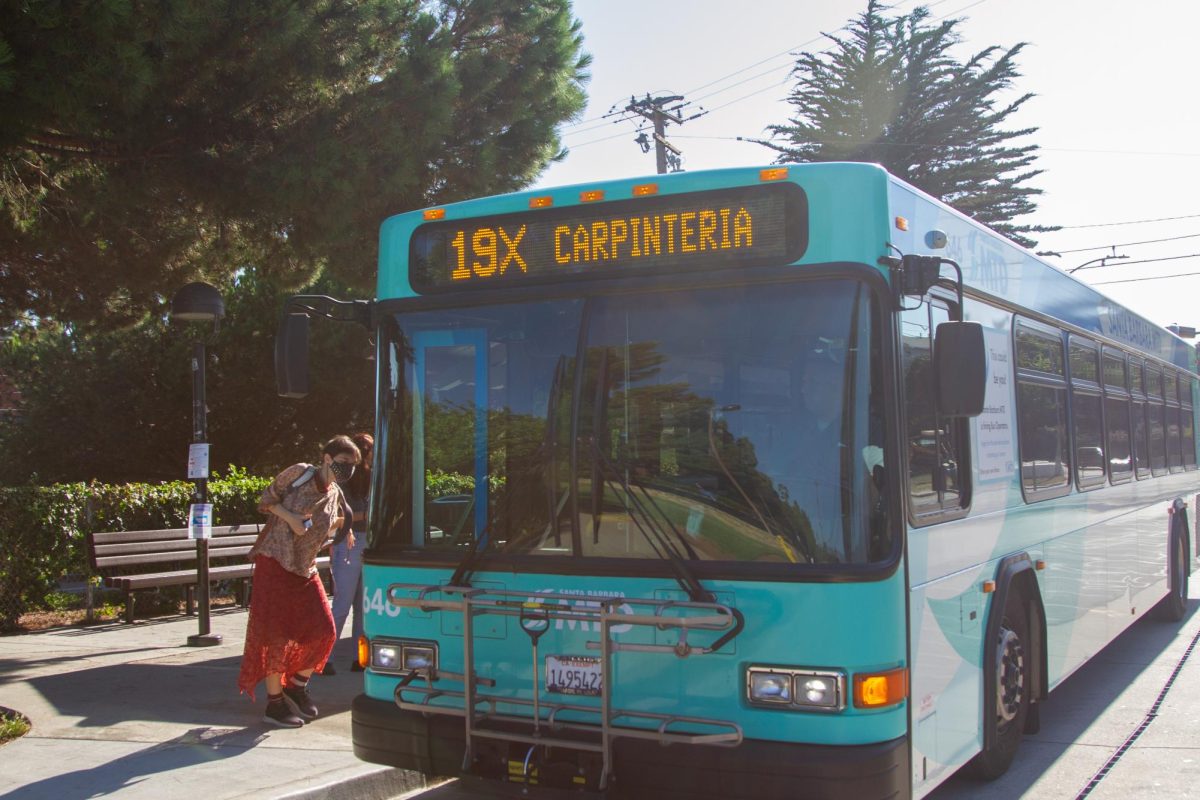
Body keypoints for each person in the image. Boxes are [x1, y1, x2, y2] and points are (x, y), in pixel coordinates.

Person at [238, 435, 361, 727]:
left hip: (304, 567)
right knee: (276, 635)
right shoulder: (299, 473)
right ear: (327, 458)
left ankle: (295, 684)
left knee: (325, 630)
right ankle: (275, 704)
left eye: (354, 465)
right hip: (275, 561)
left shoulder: (335, 492)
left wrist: (340, 530)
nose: (349, 470)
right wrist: (291, 517)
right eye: (344, 463)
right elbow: (266, 500)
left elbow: (333, 521)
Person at [326, 431, 372, 674]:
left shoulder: (370, 478)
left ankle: (359, 657)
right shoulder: (343, 481)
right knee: (342, 603)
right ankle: (324, 657)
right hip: (349, 541)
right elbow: (340, 516)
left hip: (366, 541)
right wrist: (370, 515)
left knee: (362, 605)